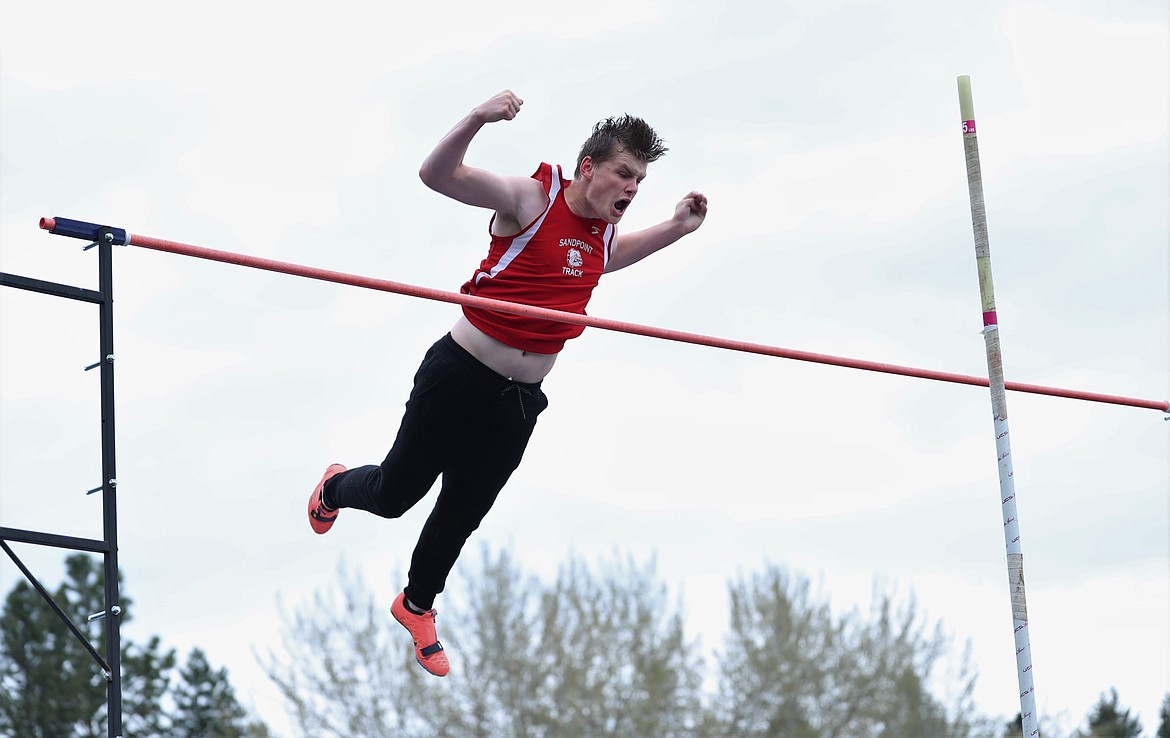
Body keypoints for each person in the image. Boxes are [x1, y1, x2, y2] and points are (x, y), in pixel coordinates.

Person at [306, 90, 708, 677]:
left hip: (518, 400)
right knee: (396, 496)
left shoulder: (599, 237)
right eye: (625, 174)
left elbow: (612, 258)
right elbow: (435, 174)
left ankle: (416, 605)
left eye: (640, 182)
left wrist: (677, 226)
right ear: (588, 168)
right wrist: (476, 118)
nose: (631, 188)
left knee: (464, 508)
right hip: (458, 375)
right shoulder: (531, 198)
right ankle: (335, 488)